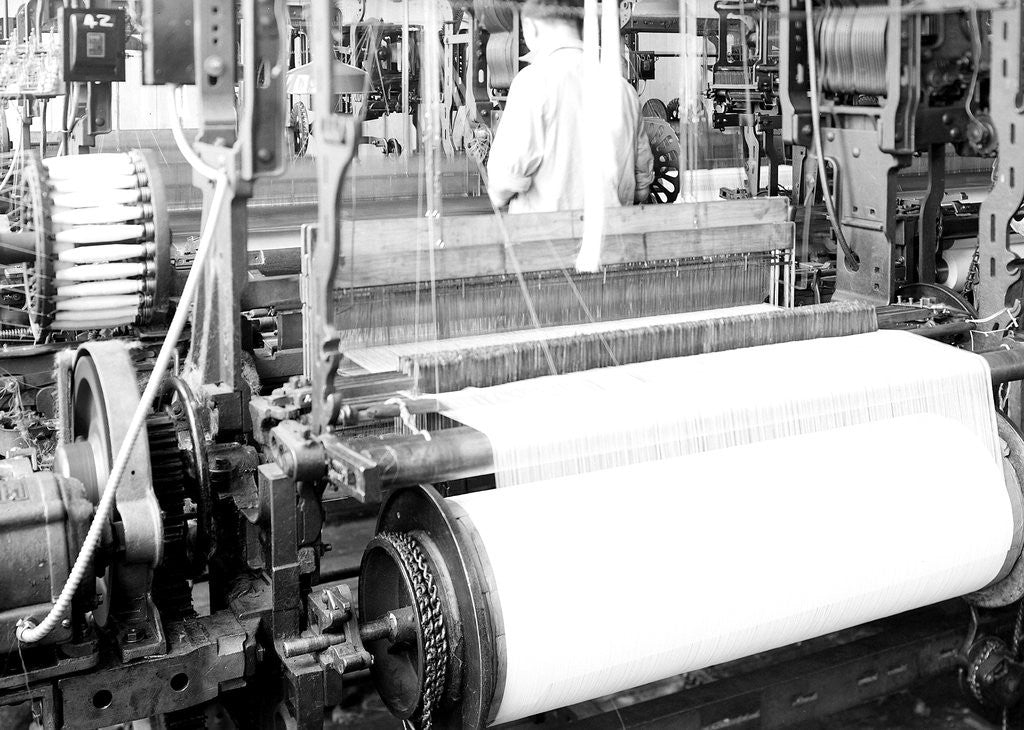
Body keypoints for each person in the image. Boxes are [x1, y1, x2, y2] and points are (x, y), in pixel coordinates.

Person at [486, 0, 655, 214]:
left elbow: (502, 185)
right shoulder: (624, 91)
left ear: (531, 26)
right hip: (613, 238)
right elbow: (642, 189)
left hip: (547, 240)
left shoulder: (532, 83)